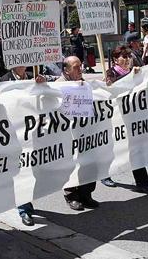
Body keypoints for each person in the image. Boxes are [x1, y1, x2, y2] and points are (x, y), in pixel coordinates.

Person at [102, 46, 148, 196]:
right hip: (118, 118)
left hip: (134, 117)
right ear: (115, 60)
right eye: (123, 57)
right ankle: (104, 174)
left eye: (128, 56)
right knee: (115, 148)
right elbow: (113, 89)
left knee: (137, 149)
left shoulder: (136, 71)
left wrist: (138, 76)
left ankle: (142, 183)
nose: (127, 59)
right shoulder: (111, 73)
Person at [0, 65, 49, 225]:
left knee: (31, 172)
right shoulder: (5, 79)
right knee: (22, 173)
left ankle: (23, 201)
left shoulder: (32, 77)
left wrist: (43, 85)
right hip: (15, 134)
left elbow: (45, 99)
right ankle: (24, 209)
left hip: (32, 133)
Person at [56, 56, 100, 211]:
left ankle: (86, 193)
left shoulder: (85, 84)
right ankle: (72, 195)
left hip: (86, 132)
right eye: (75, 67)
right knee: (72, 164)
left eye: (81, 66)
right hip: (69, 134)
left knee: (89, 162)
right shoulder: (58, 86)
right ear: (66, 70)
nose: (80, 69)